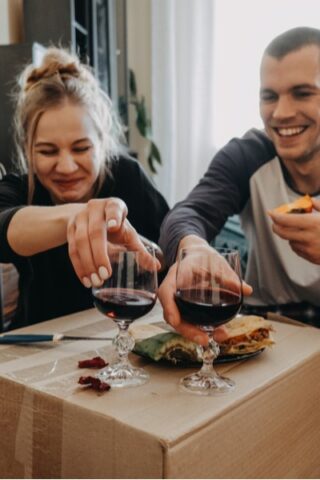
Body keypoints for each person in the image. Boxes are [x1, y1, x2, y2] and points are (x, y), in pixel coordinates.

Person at [158, 26, 320, 345]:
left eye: (303, 93)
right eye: (269, 96)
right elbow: (188, 212)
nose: (281, 113)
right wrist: (194, 248)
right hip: (269, 324)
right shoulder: (247, 155)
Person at [0, 47, 169, 328]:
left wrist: (138, 250)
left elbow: (167, 254)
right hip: (40, 342)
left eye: (81, 148)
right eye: (47, 151)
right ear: (27, 151)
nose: (66, 166)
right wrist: (83, 216)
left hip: (120, 336)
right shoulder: (20, 187)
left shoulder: (126, 176)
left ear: (102, 144)